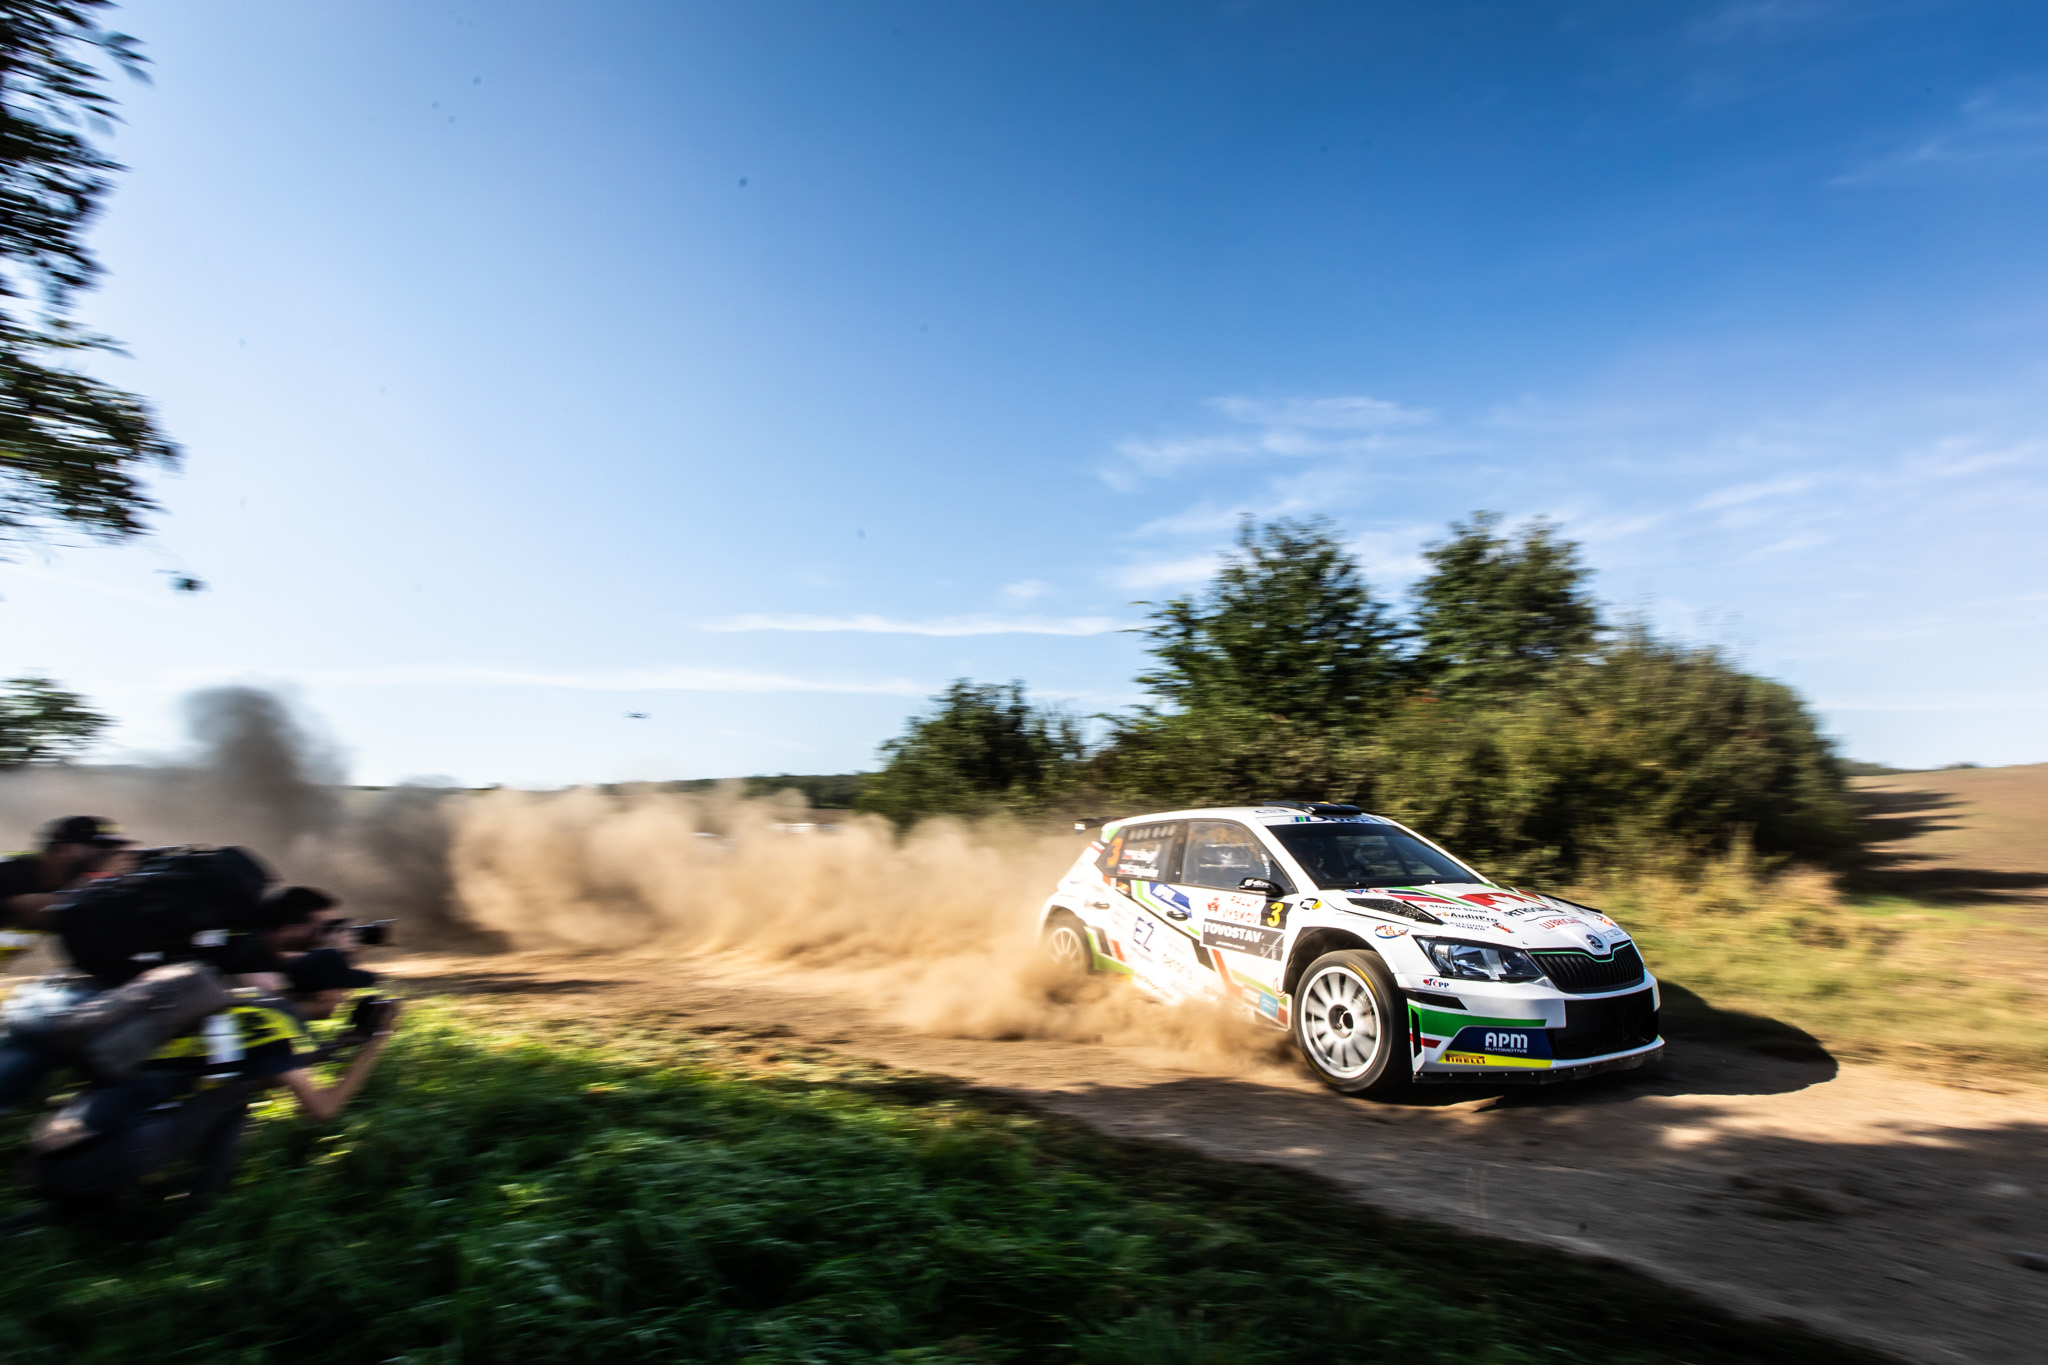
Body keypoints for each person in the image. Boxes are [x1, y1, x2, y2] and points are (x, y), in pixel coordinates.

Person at [25, 949, 403, 1211]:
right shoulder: (275, 1030)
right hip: (106, 1150)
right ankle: (189, 1205)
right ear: (323, 993)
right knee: (232, 1093)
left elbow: (262, 1065)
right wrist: (377, 1043)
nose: (345, 997)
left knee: (234, 1088)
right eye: (343, 989)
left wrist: (346, 1042)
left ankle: (200, 1200)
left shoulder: (256, 1003)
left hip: (78, 1135)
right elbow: (323, 1110)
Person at [0, 817, 133, 958]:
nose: (108, 856)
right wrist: (101, 876)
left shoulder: (67, 884)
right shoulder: (9, 873)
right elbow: (42, 911)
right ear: (60, 849)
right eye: (99, 846)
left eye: (114, 849)